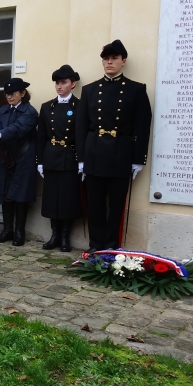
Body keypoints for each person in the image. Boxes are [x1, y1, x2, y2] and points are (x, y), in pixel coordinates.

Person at [76, 40, 152, 252]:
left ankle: (112, 247)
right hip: (95, 152)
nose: (109, 63)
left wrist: (138, 159)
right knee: (95, 204)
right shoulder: (90, 90)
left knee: (117, 205)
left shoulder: (136, 90)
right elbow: (81, 127)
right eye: (106, 59)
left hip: (121, 152)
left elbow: (143, 126)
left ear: (123, 61)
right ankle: (95, 246)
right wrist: (81, 158)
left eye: (114, 59)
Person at [0, 78, 38, 246]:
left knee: (20, 195)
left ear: (22, 93)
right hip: (4, 157)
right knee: (6, 194)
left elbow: (18, 128)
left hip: (23, 158)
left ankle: (19, 231)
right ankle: (7, 229)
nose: (9, 97)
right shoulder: (3, 110)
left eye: (13, 93)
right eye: (7, 94)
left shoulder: (29, 112)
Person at [36, 65, 82, 252]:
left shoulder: (80, 106)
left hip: (70, 157)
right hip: (51, 157)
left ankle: (65, 236)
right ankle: (54, 234)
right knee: (51, 199)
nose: (59, 86)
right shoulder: (47, 107)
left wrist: (81, 160)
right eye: (57, 83)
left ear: (73, 84)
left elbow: (81, 135)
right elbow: (41, 136)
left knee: (67, 199)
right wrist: (39, 160)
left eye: (63, 82)